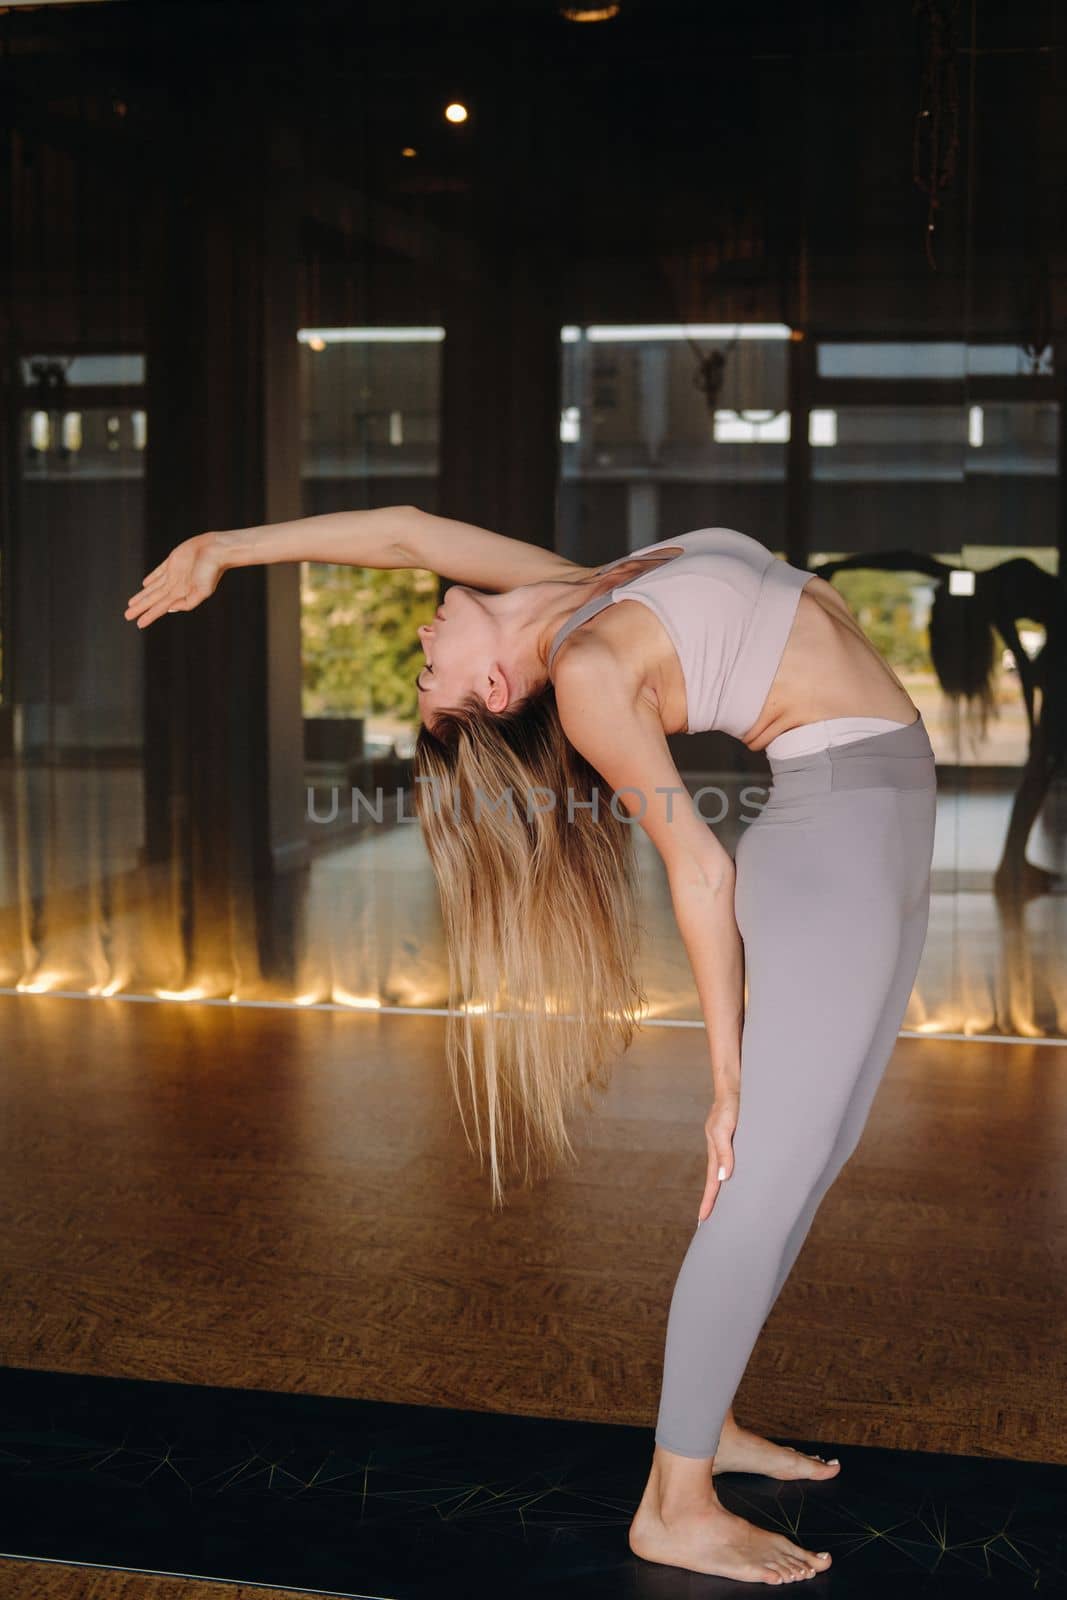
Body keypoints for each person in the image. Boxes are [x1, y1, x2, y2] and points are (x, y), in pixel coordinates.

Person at [125, 505, 937, 1587]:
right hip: (832, 839)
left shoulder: (587, 588)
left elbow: (408, 533)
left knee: (818, 1155)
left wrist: (225, 547)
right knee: (764, 1173)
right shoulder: (591, 667)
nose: (417, 650)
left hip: (886, 810)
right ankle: (673, 1501)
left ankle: (712, 1415)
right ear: (498, 694)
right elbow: (696, 867)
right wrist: (725, 1073)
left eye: (414, 672)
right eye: (429, 682)